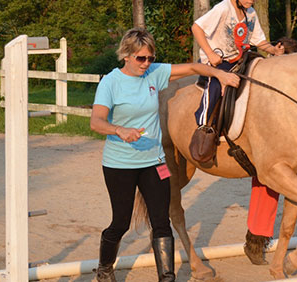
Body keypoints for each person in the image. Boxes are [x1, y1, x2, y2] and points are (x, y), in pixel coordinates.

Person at [90, 28, 239, 282]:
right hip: (120, 164)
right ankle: (105, 269)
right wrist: (119, 130)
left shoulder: (154, 73)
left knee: (161, 221)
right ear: (126, 55)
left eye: (150, 57)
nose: (146, 63)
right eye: (141, 58)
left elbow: (193, 68)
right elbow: (96, 121)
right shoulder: (111, 83)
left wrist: (218, 74)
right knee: (121, 223)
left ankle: (167, 278)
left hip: (154, 162)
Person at [242, 37, 297, 269]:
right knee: (266, 183)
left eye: (280, 58)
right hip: (272, 141)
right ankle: (257, 241)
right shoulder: (262, 80)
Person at [192, 0, 284, 127]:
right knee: (215, 86)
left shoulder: (251, 13)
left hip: (239, 61)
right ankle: (203, 124)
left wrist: (273, 50)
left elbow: (259, 40)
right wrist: (210, 54)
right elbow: (196, 27)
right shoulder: (223, 9)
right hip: (218, 62)